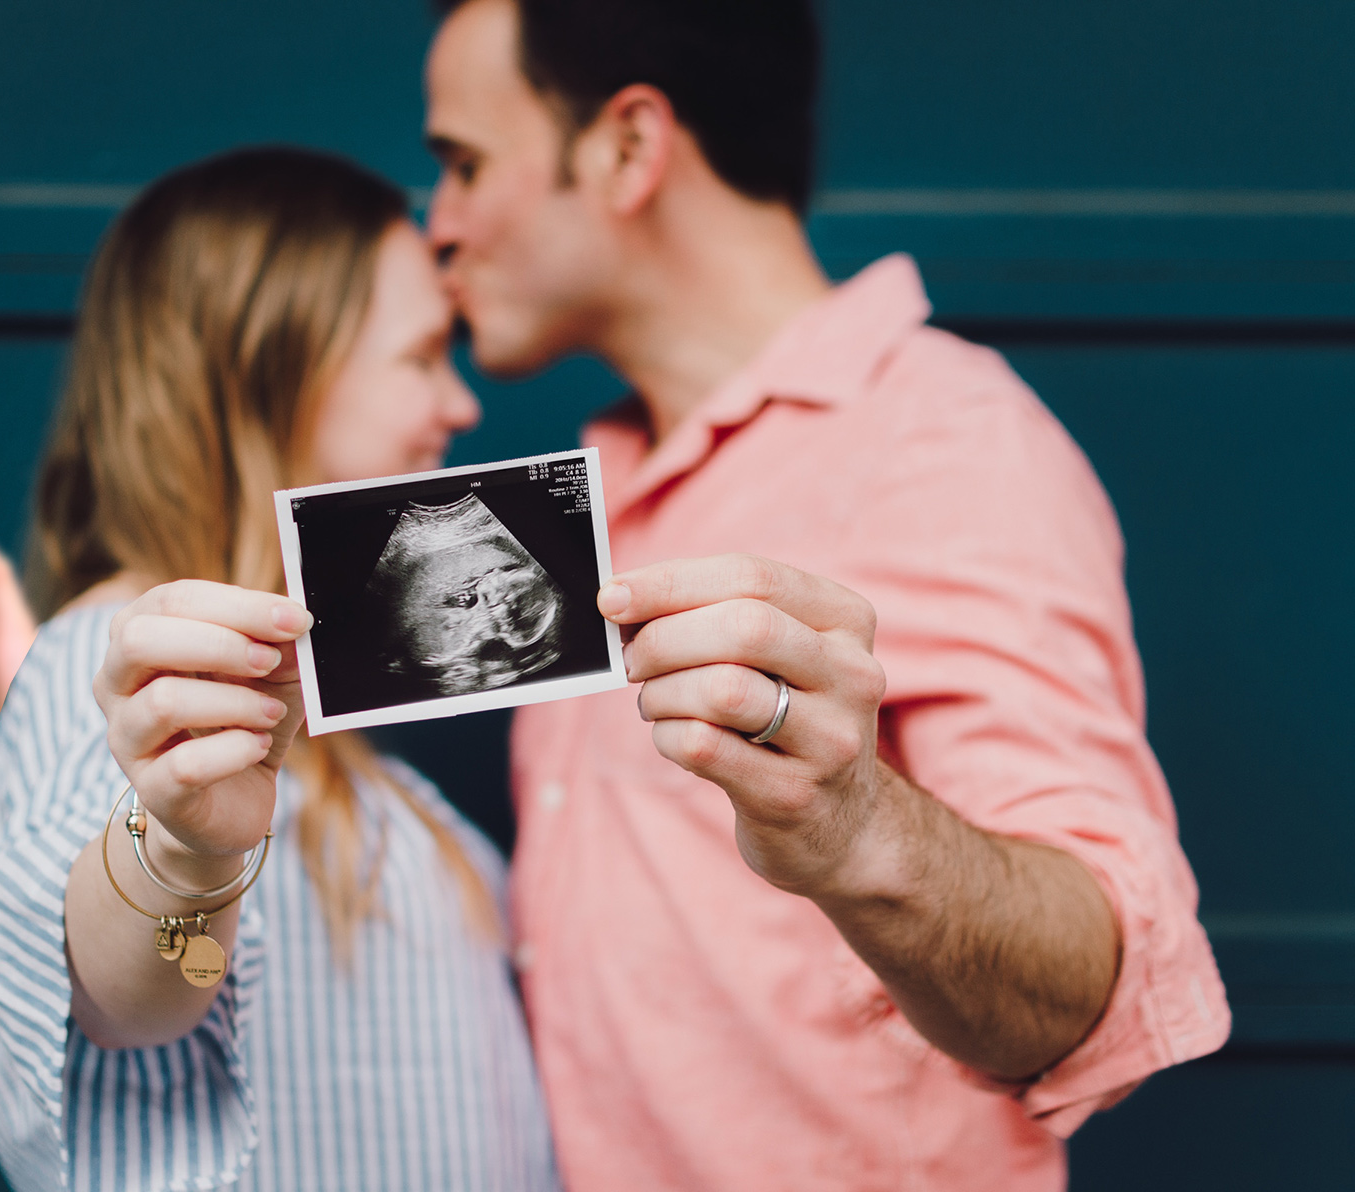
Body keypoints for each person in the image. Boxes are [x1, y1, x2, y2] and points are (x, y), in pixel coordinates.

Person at [417, 0, 1229, 1188]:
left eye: (464, 164)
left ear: (630, 148)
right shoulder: (591, 493)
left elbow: (1091, 993)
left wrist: (853, 827)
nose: (437, 226)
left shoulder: (941, 442)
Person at [0, 147, 559, 1191]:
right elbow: (121, 997)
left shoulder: (306, 723)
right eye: (419, 357)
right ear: (266, 374)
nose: (459, 406)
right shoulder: (119, 671)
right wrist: (183, 851)